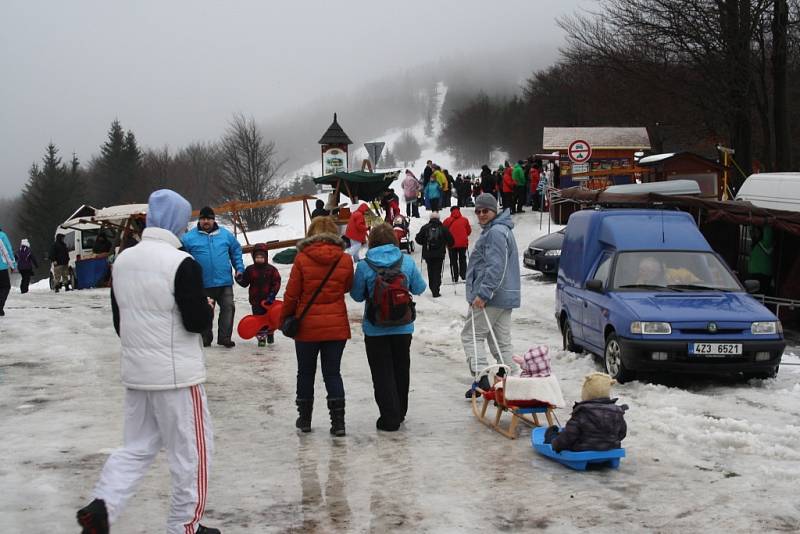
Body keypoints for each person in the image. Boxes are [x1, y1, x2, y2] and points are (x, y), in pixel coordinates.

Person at [76, 189, 219, 534]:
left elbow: (119, 322)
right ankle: (185, 525)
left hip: (137, 375)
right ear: (176, 223)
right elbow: (195, 321)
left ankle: (103, 505)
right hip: (176, 378)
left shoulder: (123, 261)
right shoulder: (182, 263)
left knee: (136, 448)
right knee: (193, 455)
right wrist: (208, 309)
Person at [280, 216, 354, 436]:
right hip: (336, 325)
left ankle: (304, 419)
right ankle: (338, 422)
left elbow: (292, 294)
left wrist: (284, 319)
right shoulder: (345, 259)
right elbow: (347, 287)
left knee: (305, 372)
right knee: (333, 373)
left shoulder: (302, 259)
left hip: (306, 326)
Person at [350, 223, 426, 431]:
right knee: (401, 369)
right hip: (403, 328)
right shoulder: (406, 262)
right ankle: (400, 412)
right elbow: (420, 287)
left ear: (372, 241)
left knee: (382, 373)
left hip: (375, 329)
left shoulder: (365, 266)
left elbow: (356, 296)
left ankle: (389, 417)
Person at [461, 193, 521, 397]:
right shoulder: (500, 230)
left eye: (485, 210)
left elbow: (496, 266)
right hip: (504, 296)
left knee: (471, 335)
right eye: (477, 211)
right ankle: (513, 381)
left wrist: (484, 293)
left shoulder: (496, 232)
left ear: (495, 210)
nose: (481, 214)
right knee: (500, 341)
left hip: (492, 296)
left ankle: (481, 379)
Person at [181, 206, 245, 348]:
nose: (206, 221)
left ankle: (224, 338)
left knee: (228, 308)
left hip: (224, 281)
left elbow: (236, 251)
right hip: (203, 283)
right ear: (199, 220)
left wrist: (239, 269)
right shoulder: (188, 238)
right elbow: (183, 259)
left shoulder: (225, 235)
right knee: (205, 311)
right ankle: (205, 337)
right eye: (203, 219)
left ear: (213, 220)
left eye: (209, 219)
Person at [546, 372, 628, 453]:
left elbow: (569, 436)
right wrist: (609, 441)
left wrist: (556, 445)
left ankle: (551, 435)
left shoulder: (582, 412)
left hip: (582, 449)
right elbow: (622, 433)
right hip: (610, 448)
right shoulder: (617, 411)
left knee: (553, 435)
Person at [236, 243, 281, 347]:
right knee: (258, 319)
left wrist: (272, 294)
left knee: (270, 318)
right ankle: (261, 338)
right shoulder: (250, 270)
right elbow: (245, 283)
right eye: (257, 257)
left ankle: (270, 333)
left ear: (266, 257)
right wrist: (239, 279)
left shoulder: (271, 270)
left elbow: (277, 282)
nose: (259, 259)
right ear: (253, 257)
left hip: (268, 301)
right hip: (256, 301)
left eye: (261, 257)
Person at [415, 212, 453, 298]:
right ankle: (436, 290)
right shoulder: (443, 228)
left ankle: (432, 287)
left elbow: (418, 239)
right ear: (438, 219)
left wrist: (424, 243)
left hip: (428, 254)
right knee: (437, 271)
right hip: (439, 254)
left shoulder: (425, 228)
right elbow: (451, 241)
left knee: (430, 270)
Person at [443, 206, 471, 283]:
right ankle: (463, 274)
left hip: (451, 244)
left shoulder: (447, 221)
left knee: (453, 260)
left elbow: (443, 232)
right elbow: (468, 231)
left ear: (451, 212)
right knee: (462, 258)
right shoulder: (465, 220)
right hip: (462, 243)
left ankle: (455, 277)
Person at [748, 225, 774, 294]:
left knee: (760, 294)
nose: (755, 233)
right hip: (754, 274)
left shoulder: (765, 243)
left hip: (762, 275)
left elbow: (768, 232)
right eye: (754, 231)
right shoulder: (755, 243)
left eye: (757, 231)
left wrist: (765, 223)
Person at [0, 225, 16, 316]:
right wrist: (12, 265)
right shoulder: (2, 235)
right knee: (5, 287)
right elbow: (7, 251)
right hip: (1, 267)